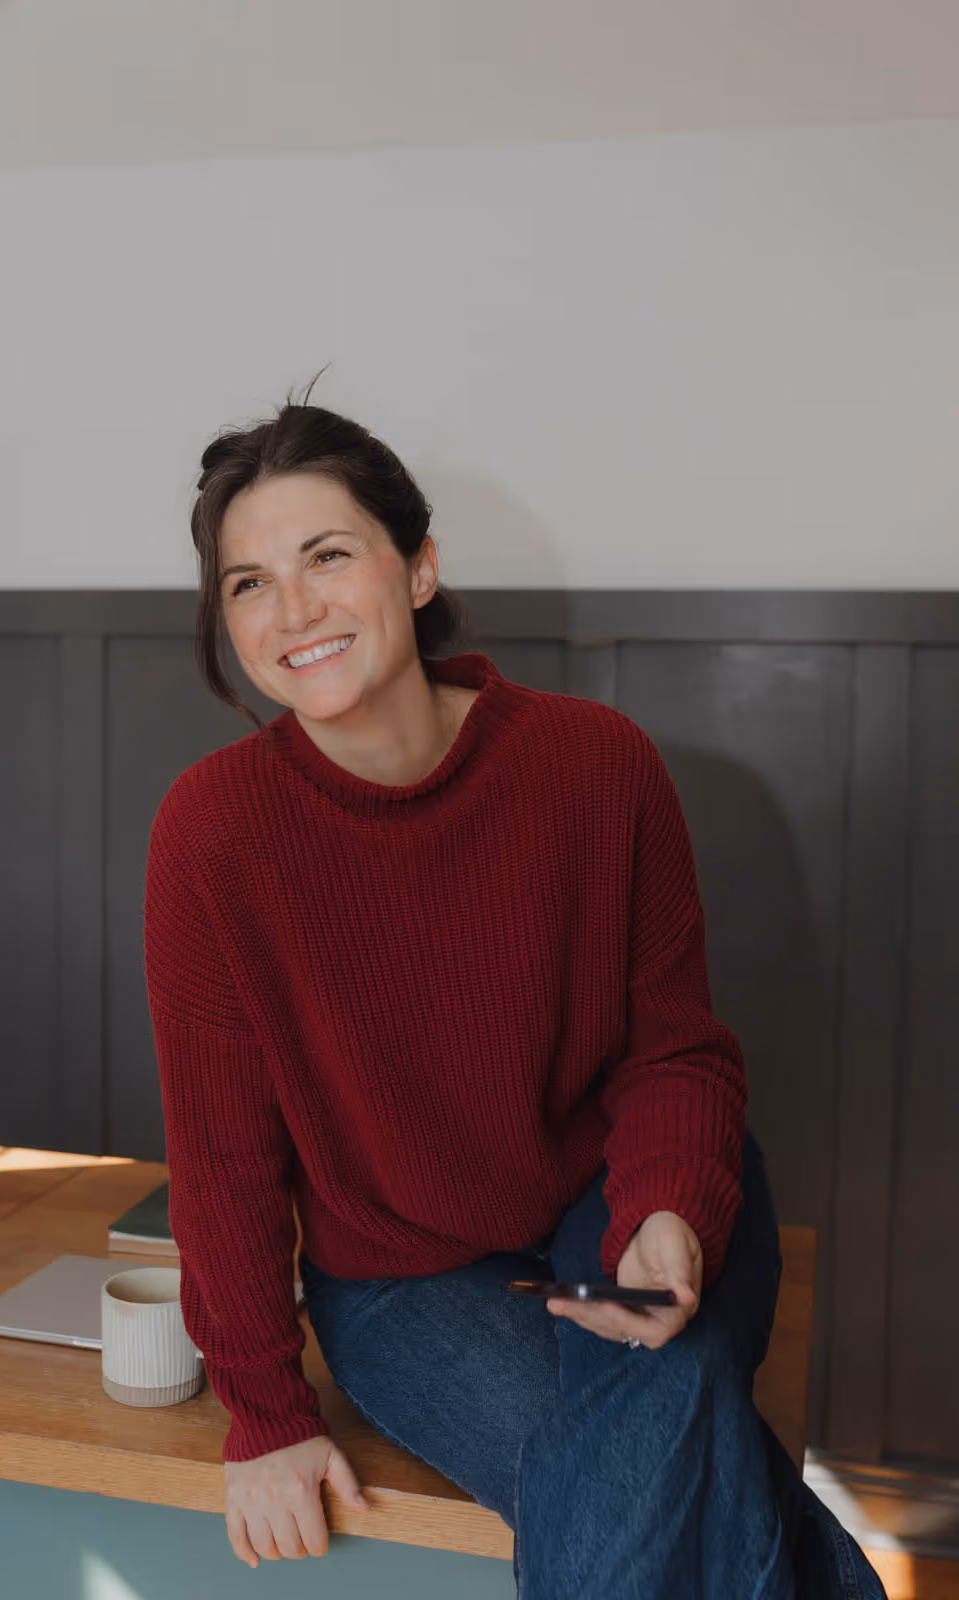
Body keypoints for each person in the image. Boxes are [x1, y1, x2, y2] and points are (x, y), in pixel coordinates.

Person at [142, 371, 887, 1599]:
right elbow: (222, 1156)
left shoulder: (594, 769)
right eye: (247, 582)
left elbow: (676, 1053)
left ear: (419, 568)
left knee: (643, 1423)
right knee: (663, 1474)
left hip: (619, 1190)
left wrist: (665, 1211)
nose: (292, 609)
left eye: (326, 555)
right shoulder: (213, 835)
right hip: (397, 1277)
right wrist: (264, 1411)